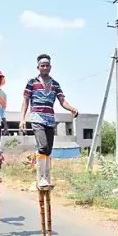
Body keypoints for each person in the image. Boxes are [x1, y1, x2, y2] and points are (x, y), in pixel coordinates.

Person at [19, 54, 78, 189]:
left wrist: (72, 109)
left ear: (50, 67)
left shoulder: (55, 84)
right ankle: (41, 179)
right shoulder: (32, 82)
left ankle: (47, 177)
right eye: (42, 66)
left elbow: (62, 101)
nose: (44, 68)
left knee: (49, 150)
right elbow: (26, 101)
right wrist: (22, 119)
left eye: (47, 65)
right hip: (37, 117)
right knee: (43, 146)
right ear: (38, 67)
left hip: (50, 119)